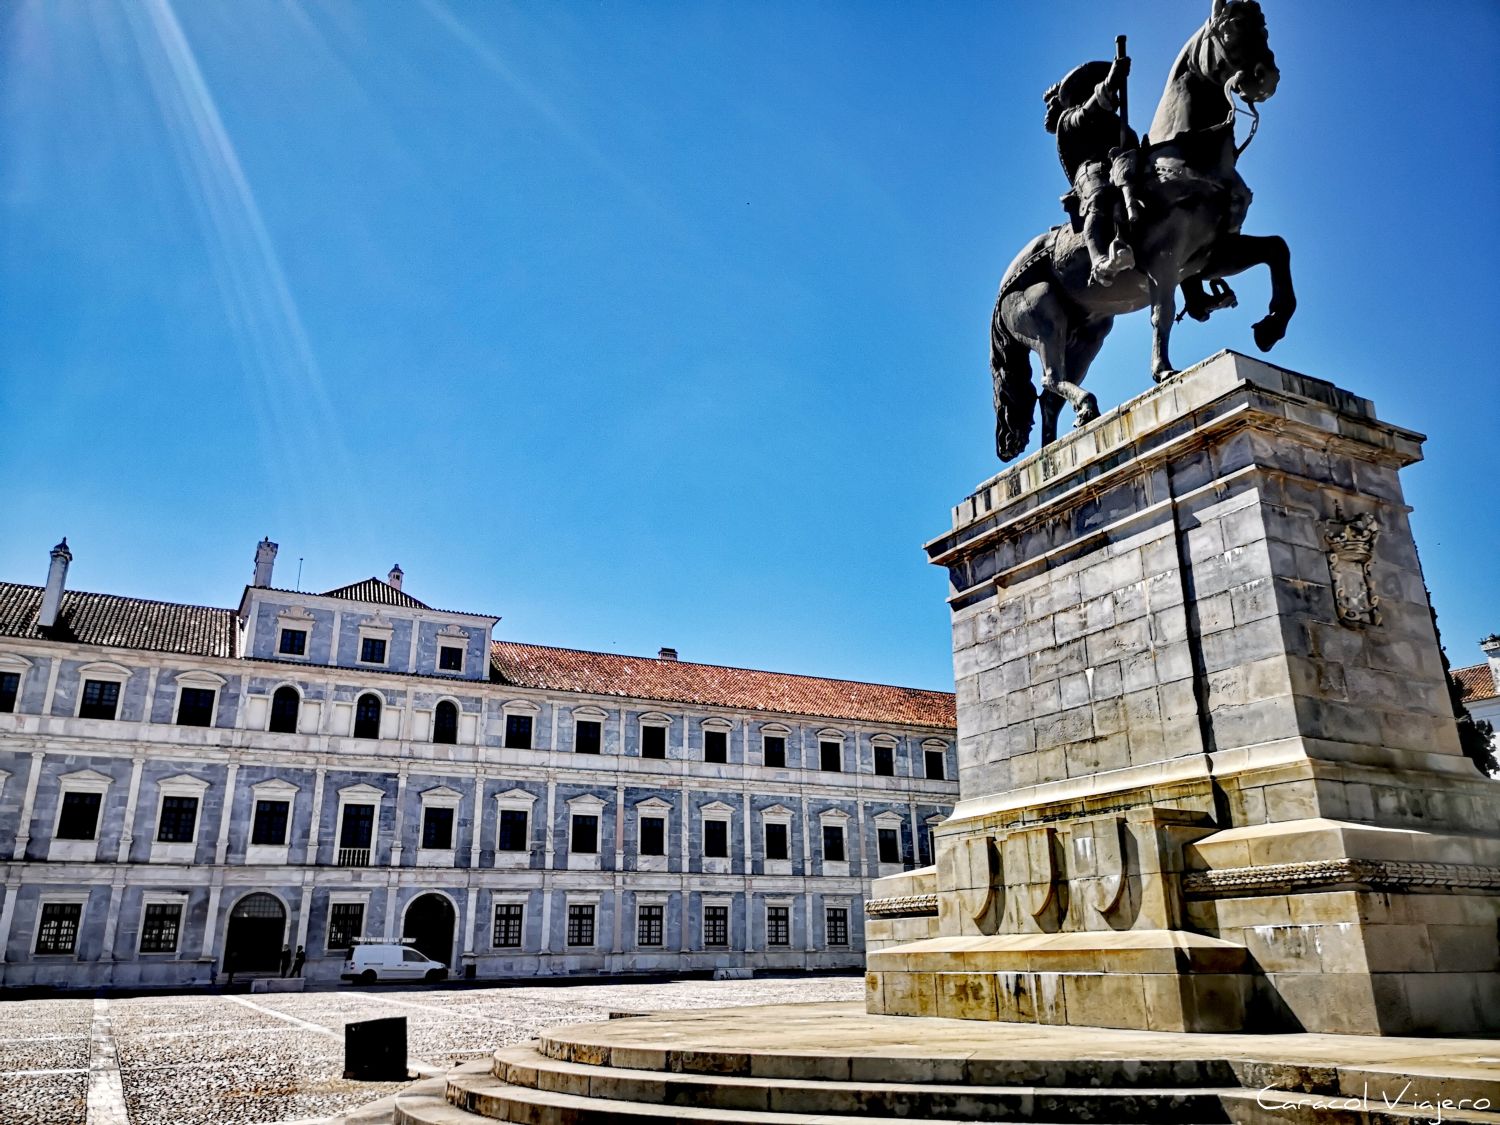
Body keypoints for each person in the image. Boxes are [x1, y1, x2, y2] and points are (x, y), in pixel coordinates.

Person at [1043, 54, 1145, 287]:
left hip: (1123, 167)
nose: (1115, 96)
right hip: (1092, 173)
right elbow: (1087, 113)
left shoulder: (1118, 125)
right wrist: (1110, 81)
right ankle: (1098, 261)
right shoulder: (1068, 119)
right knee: (1099, 199)